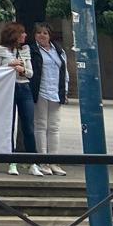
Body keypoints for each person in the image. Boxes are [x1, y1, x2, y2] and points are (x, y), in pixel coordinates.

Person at [0, 22, 40, 176]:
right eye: (22, 33)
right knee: (10, 126)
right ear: (14, 35)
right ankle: (11, 160)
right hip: (8, 87)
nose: (25, 36)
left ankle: (33, 161)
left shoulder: (25, 50)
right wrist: (9, 64)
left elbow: (31, 73)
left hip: (24, 86)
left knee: (28, 125)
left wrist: (23, 69)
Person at [29, 23, 68, 176]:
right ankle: (43, 161)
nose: (42, 35)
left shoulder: (59, 50)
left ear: (50, 35)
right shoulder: (32, 50)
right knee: (40, 126)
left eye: (45, 33)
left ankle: (54, 160)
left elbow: (64, 71)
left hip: (56, 91)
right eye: (39, 33)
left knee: (54, 127)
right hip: (40, 91)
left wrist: (64, 90)